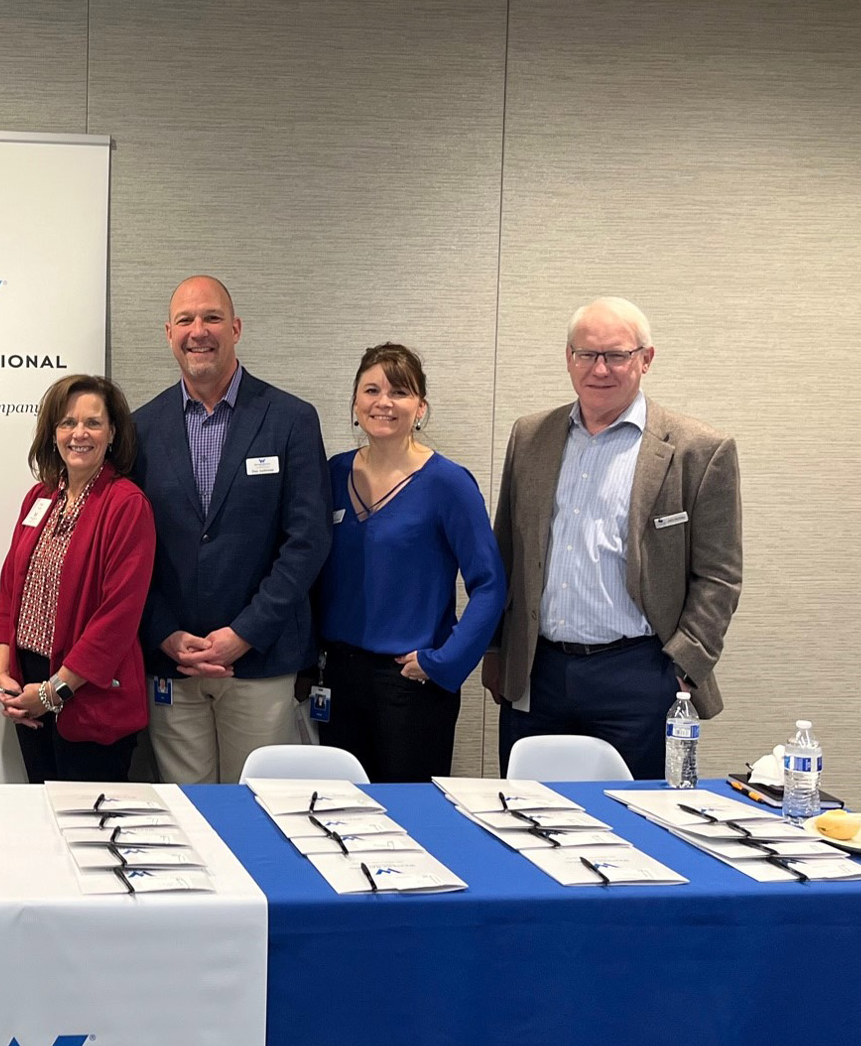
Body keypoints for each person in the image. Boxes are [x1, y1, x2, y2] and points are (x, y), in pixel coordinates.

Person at [484, 297, 743, 779]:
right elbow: (507, 552)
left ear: (646, 359)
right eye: (586, 354)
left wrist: (685, 663)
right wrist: (496, 650)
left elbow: (720, 576)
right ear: (568, 359)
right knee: (530, 817)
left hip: (640, 675)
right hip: (538, 674)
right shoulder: (530, 436)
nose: (599, 368)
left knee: (638, 822)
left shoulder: (698, 450)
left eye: (617, 355)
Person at [132, 275, 330, 783]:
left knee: (259, 813)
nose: (199, 331)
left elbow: (307, 542)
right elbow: (131, 553)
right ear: (168, 333)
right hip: (174, 663)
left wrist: (244, 634)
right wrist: (165, 635)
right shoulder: (140, 429)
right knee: (188, 815)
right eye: (185, 320)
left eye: (212, 318)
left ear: (236, 328)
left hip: (260, 661)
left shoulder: (290, 419)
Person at [314, 344, 505, 781]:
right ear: (355, 403)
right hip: (338, 680)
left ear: (420, 407)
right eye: (372, 389)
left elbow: (490, 584)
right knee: (339, 815)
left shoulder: (447, 484)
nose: (384, 402)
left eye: (400, 392)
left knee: (408, 823)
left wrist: (445, 662)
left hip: (411, 683)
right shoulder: (330, 475)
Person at [0, 375, 156, 782]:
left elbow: (117, 619)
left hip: (88, 698)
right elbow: (12, 586)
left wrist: (53, 693)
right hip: (29, 690)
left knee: (88, 833)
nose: (79, 433)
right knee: (42, 824)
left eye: (93, 423)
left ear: (112, 433)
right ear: (53, 433)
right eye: (67, 423)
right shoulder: (40, 497)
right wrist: (3, 670)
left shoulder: (126, 505)